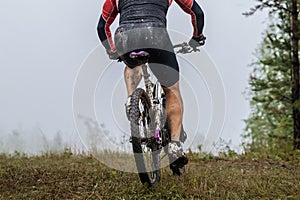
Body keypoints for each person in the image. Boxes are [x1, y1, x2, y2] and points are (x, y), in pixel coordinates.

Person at [97, 0, 206, 175]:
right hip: (156, 35)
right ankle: (175, 146)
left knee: (133, 64)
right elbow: (197, 13)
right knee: (172, 90)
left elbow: (102, 26)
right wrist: (197, 37)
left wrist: (112, 51)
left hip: (125, 37)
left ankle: (131, 100)